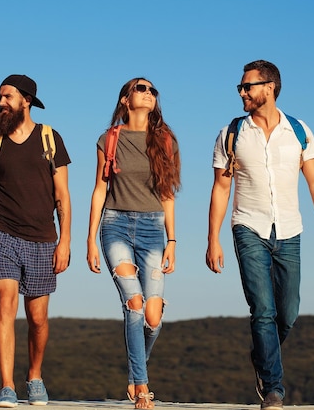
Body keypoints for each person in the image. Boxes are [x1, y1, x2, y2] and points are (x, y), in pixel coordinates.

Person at [206, 60, 314, 410]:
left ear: (270, 87)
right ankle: (273, 390)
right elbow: (220, 189)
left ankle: (262, 356)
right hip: (247, 226)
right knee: (262, 310)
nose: (242, 92)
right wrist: (213, 239)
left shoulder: (299, 130)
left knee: (288, 313)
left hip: (290, 230)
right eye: (241, 87)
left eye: (248, 86)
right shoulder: (232, 133)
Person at [0, 74, 71, 408]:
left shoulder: (50, 138)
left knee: (38, 318)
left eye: (7, 97)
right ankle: (6, 386)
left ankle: (35, 376)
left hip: (44, 240)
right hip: (2, 233)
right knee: (4, 304)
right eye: (0, 97)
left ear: (26, 100)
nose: (1, 103)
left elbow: (63, 196)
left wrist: (65, 240)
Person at [87, 78, 181, 410]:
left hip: (154, 229)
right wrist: (90, 239)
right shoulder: (110, 139)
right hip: (115, 225)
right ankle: (142, 388)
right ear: (126, 99)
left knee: (152, 318)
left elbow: (168, 194)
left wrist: (172, 239)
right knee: (135, 304)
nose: (149, 94)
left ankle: (134, 370)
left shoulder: (166, 141)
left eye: (153, 90)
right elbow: (100, 189)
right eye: (142, 88)